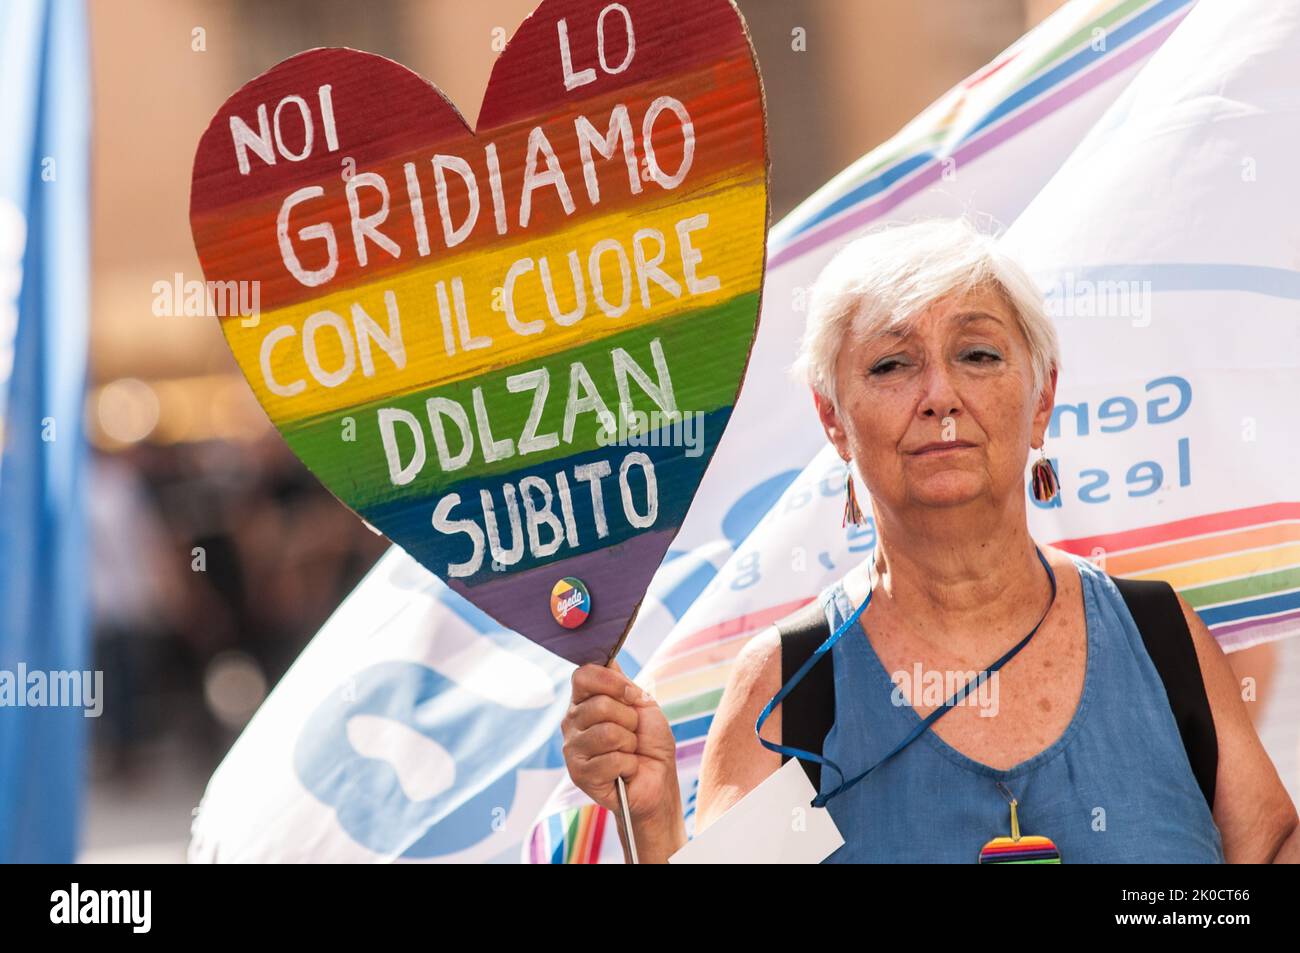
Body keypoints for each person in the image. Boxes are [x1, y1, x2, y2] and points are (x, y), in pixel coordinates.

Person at [561, 217, 1299, 863]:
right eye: (892, 364)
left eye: (978, 354)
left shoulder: (1158, 637)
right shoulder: (797, 695)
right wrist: (654, 826)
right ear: (833, 420)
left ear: (1040, 399)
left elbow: (1265, 853)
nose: (940, 395)